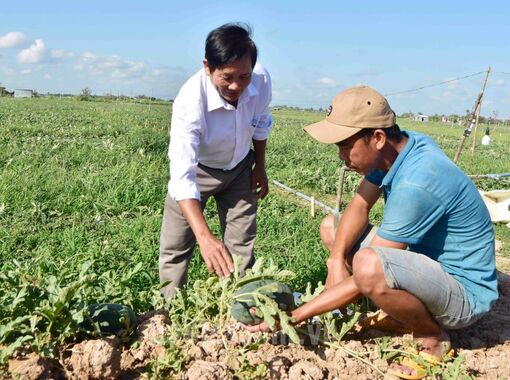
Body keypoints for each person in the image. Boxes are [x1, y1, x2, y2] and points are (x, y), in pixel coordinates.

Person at [244, 86, 498, 379]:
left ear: (377, 138)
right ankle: (402, 310)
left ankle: (433, 339)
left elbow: (373, 262)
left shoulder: (417, 182)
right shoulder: (400, 148)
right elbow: (359, 206)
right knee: (332, 227)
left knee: (368, 265)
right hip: (430, 269)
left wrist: (297, 315)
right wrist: (335, 261)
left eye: (344, 145)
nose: (340, 156)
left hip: (463, 294)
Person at [159, 23, 272, 299]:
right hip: (198, 170)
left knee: (242, 244)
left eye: (243, 77)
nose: (236, 86)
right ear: (208, 66)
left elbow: (260, 123)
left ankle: (241, 308)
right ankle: (172, 311)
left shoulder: (260, 80)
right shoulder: (189, 102)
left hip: (240, 166)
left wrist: (260, 166)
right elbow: (183, 179)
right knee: (176, 245)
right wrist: (206, 238)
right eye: (227, 77)